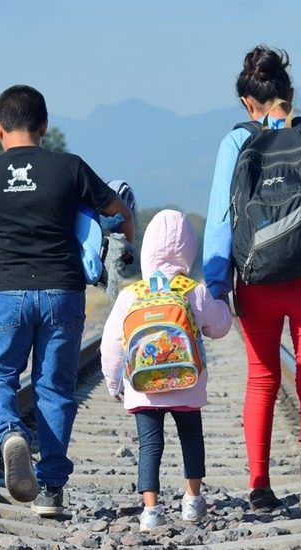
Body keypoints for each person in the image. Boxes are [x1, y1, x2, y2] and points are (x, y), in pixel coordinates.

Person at [203, 45, 301, 517]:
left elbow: (220, 219)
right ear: (291, 94)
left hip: (258, 278)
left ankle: (259, 484)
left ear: (247, 104)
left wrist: (218, 283)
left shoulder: (236, 142)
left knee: (262, 379)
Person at [0, 84, 134, 517]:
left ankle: (9, 435)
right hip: (62, 291)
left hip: (7, 291)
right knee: (54, 389)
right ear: (44, 126)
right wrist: (122, 249)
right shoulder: (69, 167)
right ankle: (51, 491)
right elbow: (118, 211)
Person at [101, 209, 232, 532]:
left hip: (144, 386)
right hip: (187, 384)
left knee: (150, 445)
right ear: (188, 250)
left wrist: (114, 383)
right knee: (191, 438)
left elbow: (112, 343)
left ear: (147, 249)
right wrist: (223, 304)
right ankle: (192, 500)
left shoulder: (132, 294)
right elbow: (218, 327)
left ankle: (151, 510)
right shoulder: (193, 289)